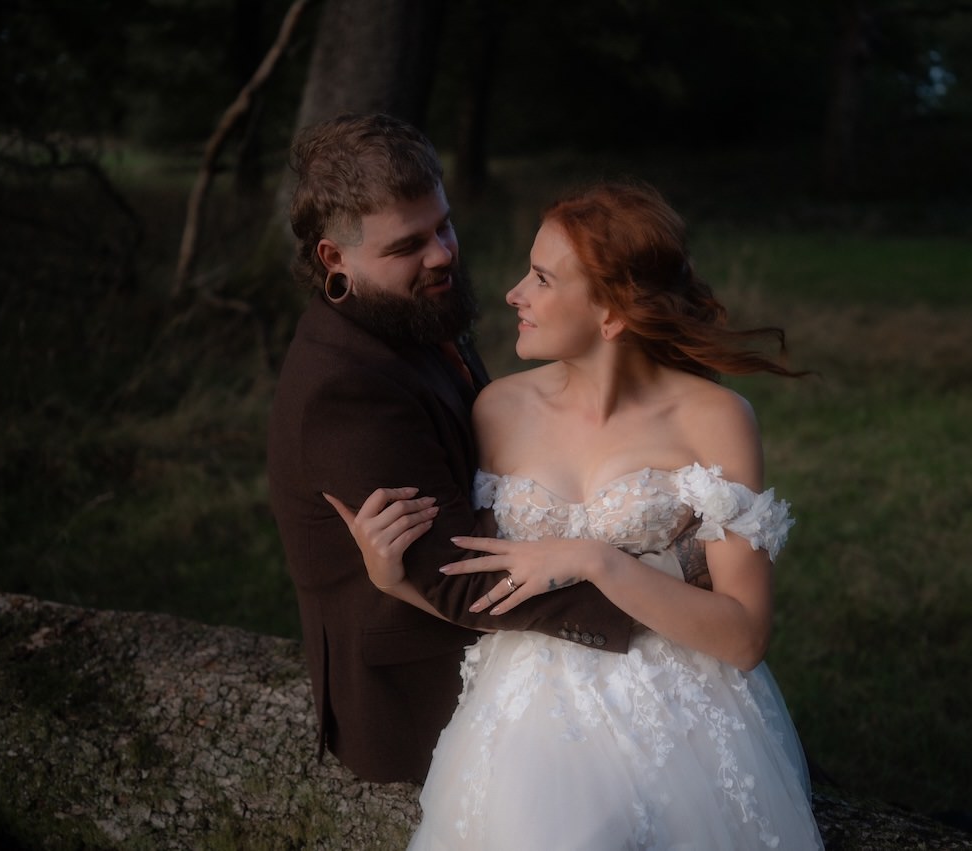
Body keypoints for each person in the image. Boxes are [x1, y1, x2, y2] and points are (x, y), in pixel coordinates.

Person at [332, 182, 825, 848]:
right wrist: (391, 576)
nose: (514, 294)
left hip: (685, 706)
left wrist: (597, 560)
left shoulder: (716, 420)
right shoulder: (497, 410)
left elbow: (743, 637)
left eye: (540, 277)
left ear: (612, 314)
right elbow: (490, 587)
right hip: (528, 707)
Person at [266, 113, 638, 785]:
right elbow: (454, 575)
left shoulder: (407, 309)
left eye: (443, 225)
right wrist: (646, 605)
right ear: (334, 258)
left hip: (484, 621)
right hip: (423, 686)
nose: (441, 253)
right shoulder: (344, 390)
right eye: (409, 243)